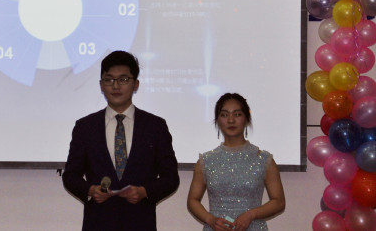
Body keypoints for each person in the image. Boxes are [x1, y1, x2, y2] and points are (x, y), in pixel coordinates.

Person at [62, 50, 180, 231]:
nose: (115, 85)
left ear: (136, 84)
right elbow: (70, 175)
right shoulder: (85, 127)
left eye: (123, 79)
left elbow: (170, 177)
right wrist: (91, 190)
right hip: (98, 223)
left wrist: (144, 192)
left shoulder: (155, 126)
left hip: (140, 223)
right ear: (101, 85)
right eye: (109, 80)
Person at [187, 93, 285, 231]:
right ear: (217, 120)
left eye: (237, 114)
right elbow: (192, 200)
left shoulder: (263, 159)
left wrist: (251, 214)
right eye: (224, 115)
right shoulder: (206, 161)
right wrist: (211, 220)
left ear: (247, 118)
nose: (231, 120)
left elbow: (279, 202)